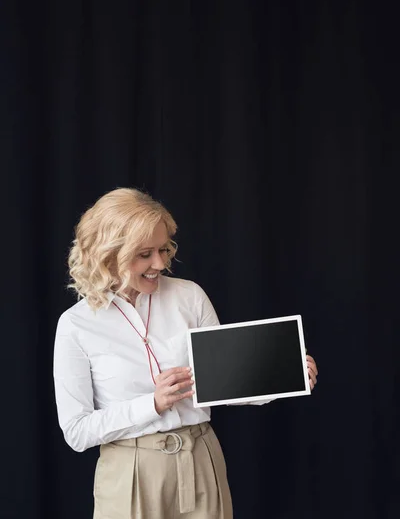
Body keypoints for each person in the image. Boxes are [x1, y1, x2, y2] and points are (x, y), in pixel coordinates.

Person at [53, 187, 318, 519]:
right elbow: (77, 432)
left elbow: (225, 382)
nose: (160, 263)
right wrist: (152, 404)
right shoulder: (76, 325)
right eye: (144, 253)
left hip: (200, 460)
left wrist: (285, 375)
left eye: (164, 249)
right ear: (109, 254)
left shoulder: (189, 296)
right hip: (129, 473)